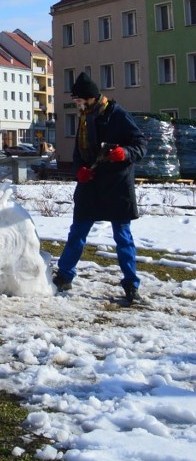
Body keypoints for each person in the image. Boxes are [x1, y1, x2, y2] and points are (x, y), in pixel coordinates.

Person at [52, 72, 146, 303]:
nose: (77, 104)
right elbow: (77, 155)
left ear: (91, 97)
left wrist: (125, 153)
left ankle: (131, 285)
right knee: (77, 233)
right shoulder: (85, 118)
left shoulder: (117, 115)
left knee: (122, 237)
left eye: (79, 100)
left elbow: (140, 144)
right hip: (91, 185)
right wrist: (79, 171)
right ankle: (64, 275)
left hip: (116, 185)